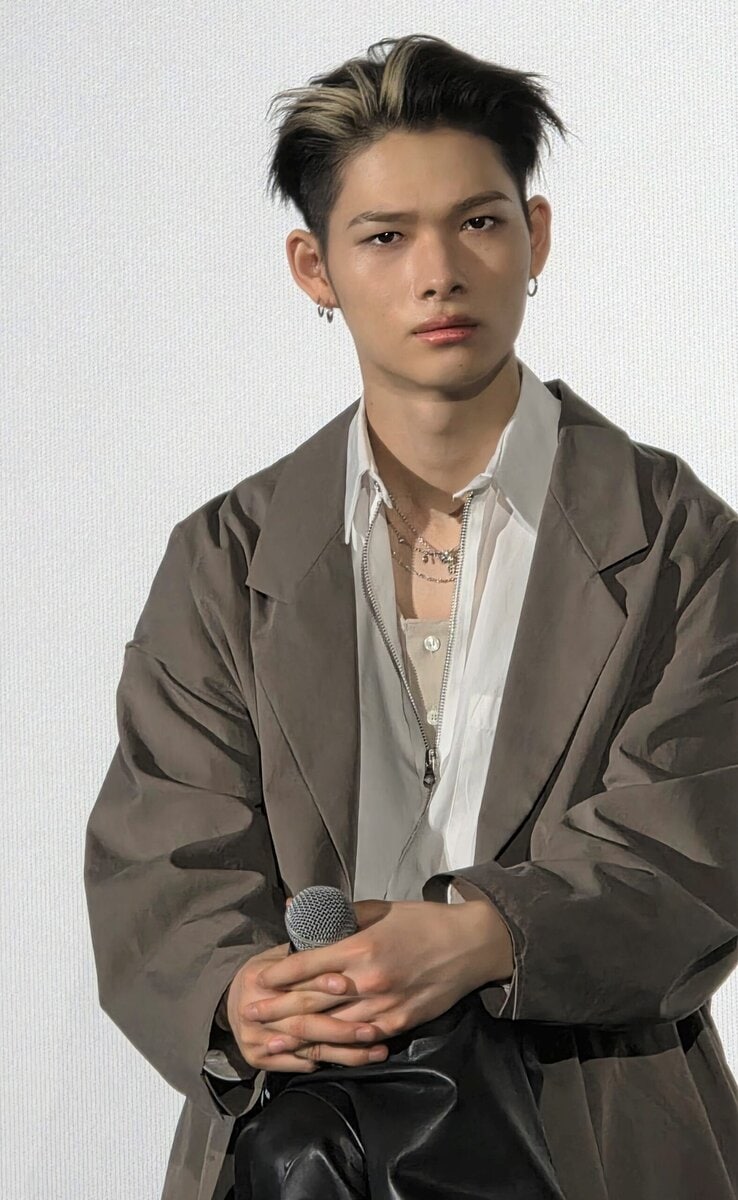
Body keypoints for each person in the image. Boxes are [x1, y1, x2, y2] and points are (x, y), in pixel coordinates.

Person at [84, 32, 738, 1200]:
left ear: (534, 238)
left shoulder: (680, 539)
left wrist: (488, 934)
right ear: (315, 267)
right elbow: (163, 854)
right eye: (385, 237)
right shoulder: (223, 559)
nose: (439, 272)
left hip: (601, 1130)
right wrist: (234, 993)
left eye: (478, 222)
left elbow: (700, 838)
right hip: (305, 1137)